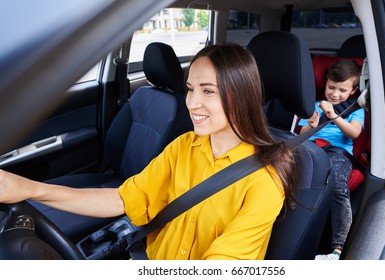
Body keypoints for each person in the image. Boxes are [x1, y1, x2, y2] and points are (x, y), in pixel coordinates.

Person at [0, 43, 295, 260]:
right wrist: (28, 189)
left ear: (241, 96)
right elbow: (122, 199)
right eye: (190, 88)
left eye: (208, 91)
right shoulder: (184, 146)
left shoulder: (263, 180)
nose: (191, 103)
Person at [298, 59, 364, 260]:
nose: (335, 94)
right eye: (331, 87)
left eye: (342, 90)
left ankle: (338, 248)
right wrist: (312, 124)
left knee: (337, 188)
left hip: (337, 152)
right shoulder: (315, 106)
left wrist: (334, 115)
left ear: (352, 91)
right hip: (311, 148)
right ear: (325, 84)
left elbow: (353, 133)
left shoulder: (356, 110)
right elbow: (302, 133)